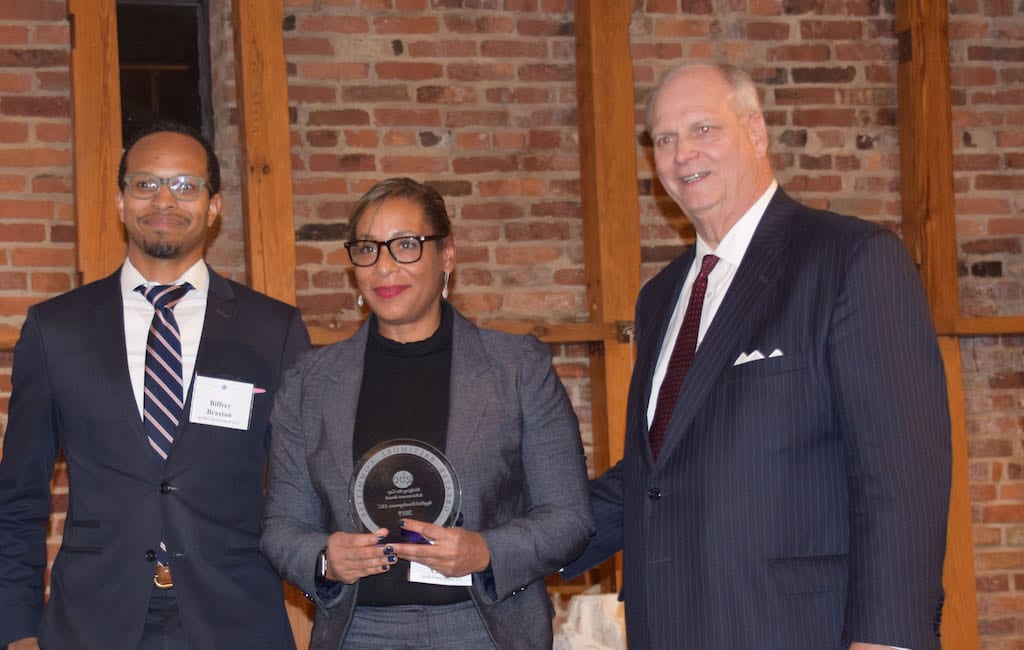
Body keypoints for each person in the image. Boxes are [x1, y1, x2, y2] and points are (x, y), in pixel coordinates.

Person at [562, 63, 951, 650]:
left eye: (703, 129)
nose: (682, 153)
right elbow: (652, 481)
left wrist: (887, 639)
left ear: (757, 132)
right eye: (664, 139)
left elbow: (900, 476)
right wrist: (499, 544)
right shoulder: (660, 297)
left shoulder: (852, 260)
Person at [0, 122, 310, 649]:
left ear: (214, 207)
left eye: (186, 186)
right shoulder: (56, 329)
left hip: (235, 618)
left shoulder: (273, 330)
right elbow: (19, 498)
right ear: (121, 201)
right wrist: (17, 630)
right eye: (145, 184)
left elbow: (301, 484)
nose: (164, 199)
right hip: (92, 621)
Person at [260, 177, 594, 649]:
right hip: (359, 631)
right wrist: (323, 558)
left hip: (482, 627)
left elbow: (569, 517)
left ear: (448, 255)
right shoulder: (309, 383)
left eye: (406, 245)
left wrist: (485, 551)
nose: (385, 267)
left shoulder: (518, 369)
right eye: (368, 249)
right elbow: (281, 528)